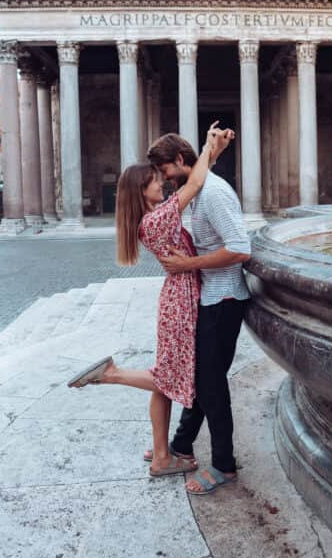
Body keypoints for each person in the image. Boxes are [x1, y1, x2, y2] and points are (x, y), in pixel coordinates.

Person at [68, 122, 233, 479]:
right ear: (143, 191)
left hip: (178, 297)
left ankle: (162, 455)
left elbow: (193, 179)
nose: (163, 181)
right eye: (156, 179)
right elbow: (195, 183)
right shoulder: (156, 220)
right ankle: (112, 374)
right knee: (171, 378)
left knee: (169, 383)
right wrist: (207, 145)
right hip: (182, 301)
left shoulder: (150, 219)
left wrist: (213, 153)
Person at [146, 131, 251, 496]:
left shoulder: (215, 193)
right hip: (210, 298)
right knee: (203, 379)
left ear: (178, 159)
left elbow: (240, 249)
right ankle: (181, 445)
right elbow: (198, 174)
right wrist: (213, 150)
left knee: (210, 384)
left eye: (165, 170)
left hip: (224, 300)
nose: (165, 178)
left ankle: (224, 465)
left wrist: (189, 263)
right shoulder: (198, 187)